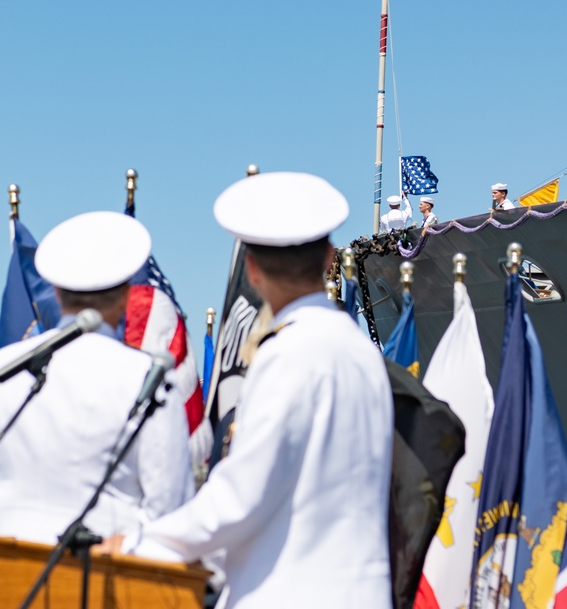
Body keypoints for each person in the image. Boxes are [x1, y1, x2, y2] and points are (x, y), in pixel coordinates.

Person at [113, 172, 394, 608]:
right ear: (329, 257)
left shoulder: (287, 353)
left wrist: (138, 543)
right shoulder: (362, 352)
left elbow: (239, 497)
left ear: (252, 270)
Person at [0, 211, 192, 545]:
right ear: (127, 294)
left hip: (3, 580)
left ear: (54, 290)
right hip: (108, 581)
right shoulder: (149, 379)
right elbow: (168, 512)